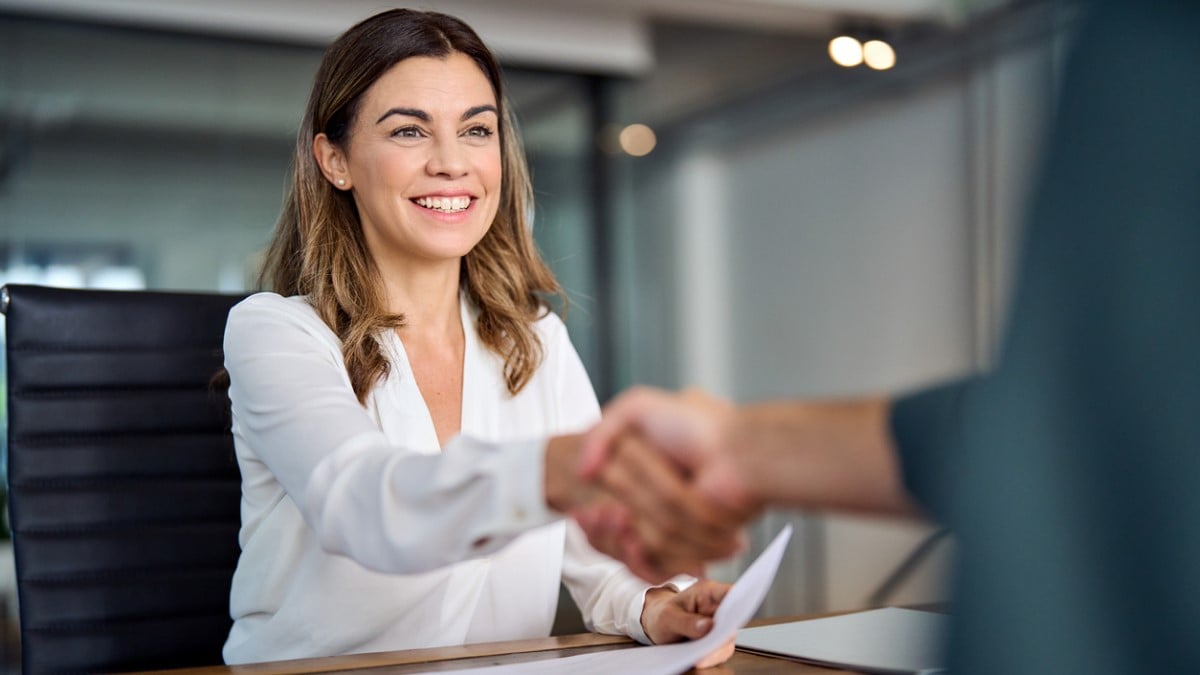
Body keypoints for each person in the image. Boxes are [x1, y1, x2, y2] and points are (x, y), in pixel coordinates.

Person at [576, 0, 1200, 672]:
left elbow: (1084, 431)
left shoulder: (1154, 43)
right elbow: (1083, 414)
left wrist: (739, 450)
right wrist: (742, 445)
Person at [220, 8, 735, 665]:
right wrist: (553, 470)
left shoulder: (535, 339)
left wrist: (656, 601)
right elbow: (366, 507)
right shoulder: (278, 332)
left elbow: (594, 547)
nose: (451, 163)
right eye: (409, 130)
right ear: (335, 159)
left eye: (476, 130)